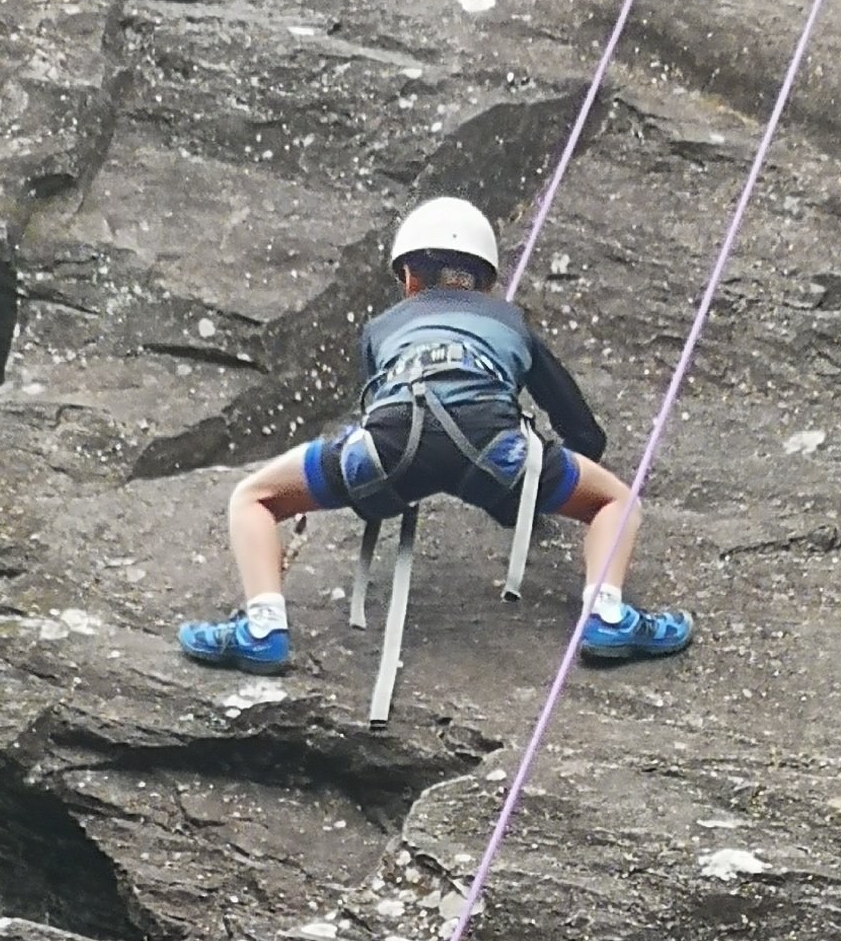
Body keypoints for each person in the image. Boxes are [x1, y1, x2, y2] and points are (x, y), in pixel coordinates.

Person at [178, 196, 692, 674]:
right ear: (484, 280)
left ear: (408, 277)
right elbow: (582, 429)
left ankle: (263, 627)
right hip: (496, 451)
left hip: (389, 451)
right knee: (617, 502)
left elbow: (377, 410)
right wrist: (537, 497)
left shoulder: (381, 327)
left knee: (255, 497)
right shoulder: (512, 321)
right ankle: (606, 615)